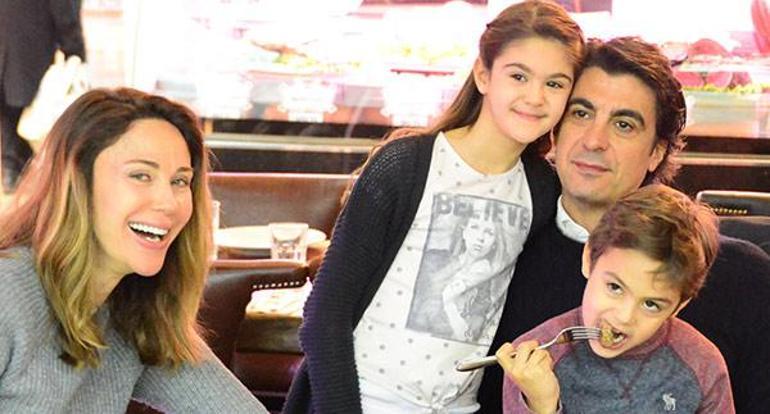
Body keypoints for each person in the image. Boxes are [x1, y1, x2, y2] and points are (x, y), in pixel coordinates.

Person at [284, 1, 585, 412]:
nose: (535, 97)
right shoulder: (406, 165)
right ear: (483, 74)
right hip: (367, 398)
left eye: (555, 84)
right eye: (518, 76)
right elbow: (324, 315)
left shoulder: (541, 188)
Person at [478, 37, 770, 414]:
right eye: (581, 114)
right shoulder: (497, 258)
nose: (594, 140)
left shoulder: (743, 279)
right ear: (554, 131)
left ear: (657, 152)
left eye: (624, 124)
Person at [0, 88, 267, 413]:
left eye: (180, 181)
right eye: (141, 176)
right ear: (77, 182)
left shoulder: (136, 312)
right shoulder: (7, 295)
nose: (168, 203)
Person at [497, 184, 733, 413]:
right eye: (615, 287)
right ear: (589, 257)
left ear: (679, 306)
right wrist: (541, 406)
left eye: (651, 304)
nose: (624, 317)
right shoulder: (531, 364)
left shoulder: (702, 365)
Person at [0, 0, 87, 193]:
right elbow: (65, 14)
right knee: (32, 114)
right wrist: (76, 53)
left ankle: (11, 170)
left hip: (9, 47)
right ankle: (28, 175)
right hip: (30, 53)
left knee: (8, 111)